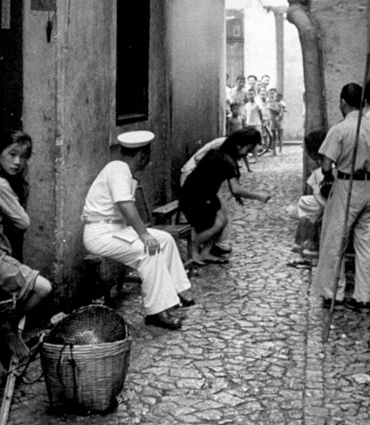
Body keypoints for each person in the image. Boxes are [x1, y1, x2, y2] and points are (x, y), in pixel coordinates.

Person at [82, 130, 192, 331]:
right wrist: (144, 234)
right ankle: (156, 312)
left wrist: (145, 234)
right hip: (101, 233)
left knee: (165, 239)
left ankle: (176, 293)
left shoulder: (123, 170)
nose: (147, 160)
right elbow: (124, 204)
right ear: (142, 156)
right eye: (147, 155)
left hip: (115, 230)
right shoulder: (118, 168)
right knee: (148, 251)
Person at [0, 129, 53, 387]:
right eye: (12, 154)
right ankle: (9, 325)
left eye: (24, 156)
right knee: (42, 287)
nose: (18, 162)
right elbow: (23, 221)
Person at [312, 83, 370, 311]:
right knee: (367, 243)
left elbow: (325, 166)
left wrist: (333, 170)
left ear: (342, 102)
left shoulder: (340, 129)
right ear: (363, 103)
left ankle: (334, 295)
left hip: (348, 187)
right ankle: (365, 298)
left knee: (335, 241)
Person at [179, 128, 271, 265]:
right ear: (239, 145)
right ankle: (193, 249)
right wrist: (259, 196)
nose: (248, 153)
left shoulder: (219, 153)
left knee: (223, 220)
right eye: (249, 148)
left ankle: (205, 252)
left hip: (198, 194)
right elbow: (236, 189)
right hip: (196, 197)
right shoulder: (227, 160)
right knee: (217, 224)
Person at [287, 130, 327, 259]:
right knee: (305, 203)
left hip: (329, 200)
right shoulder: (322, 165)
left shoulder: (326, 166)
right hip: (325, 198)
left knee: (308, 208)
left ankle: (309, 243)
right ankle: (304, 242)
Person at [268, 89, 287, 155]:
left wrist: (271, 108)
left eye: (276, 96)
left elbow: (281, 112)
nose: (275, 98)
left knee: (280, 135)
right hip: (273, 120)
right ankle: (274, 150)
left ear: (280, 97)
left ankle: (280, 149)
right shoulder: (275, 103)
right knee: (274, 135)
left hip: (279, 120)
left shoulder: (281, 103)